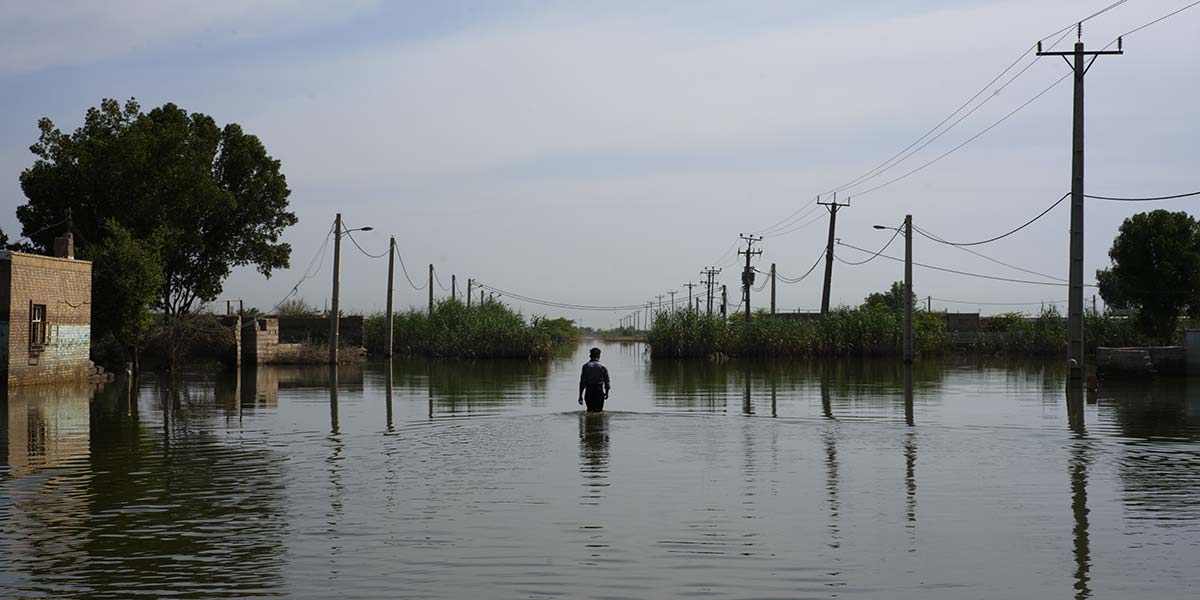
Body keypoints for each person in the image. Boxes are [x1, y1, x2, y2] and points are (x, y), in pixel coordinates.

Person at [578, 347, 610, 412]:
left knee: (590, 411)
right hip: (599, 391)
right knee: (599, 411)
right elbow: (607, 382)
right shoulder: (603, 366)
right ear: (599, 356)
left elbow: (582, 382)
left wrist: (580, 396)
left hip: (589, 390)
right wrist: (606, 393)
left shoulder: (586, 366)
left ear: (590, 356)